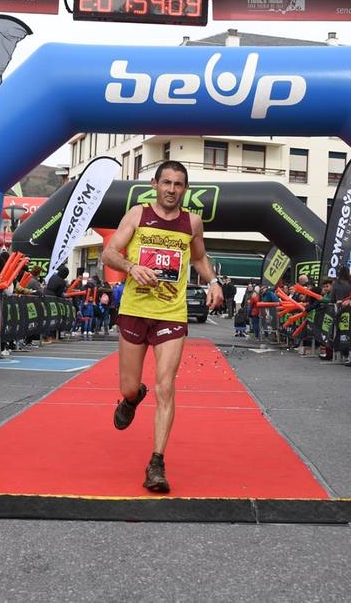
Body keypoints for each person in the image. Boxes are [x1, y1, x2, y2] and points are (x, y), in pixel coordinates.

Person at [101, 160, 222, 493]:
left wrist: (213, 281)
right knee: (129, 386)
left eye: (178, 184)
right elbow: (109, 253)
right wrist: (131, 266)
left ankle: (156, 463)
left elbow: (198, 258)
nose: (172, 189)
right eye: (166, 182)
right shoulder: (137, 215)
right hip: (135, 309)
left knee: (165, 385)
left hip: (171, 312)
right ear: (155, 184)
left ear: (185, 189)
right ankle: (132, 398)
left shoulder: (192, 222)